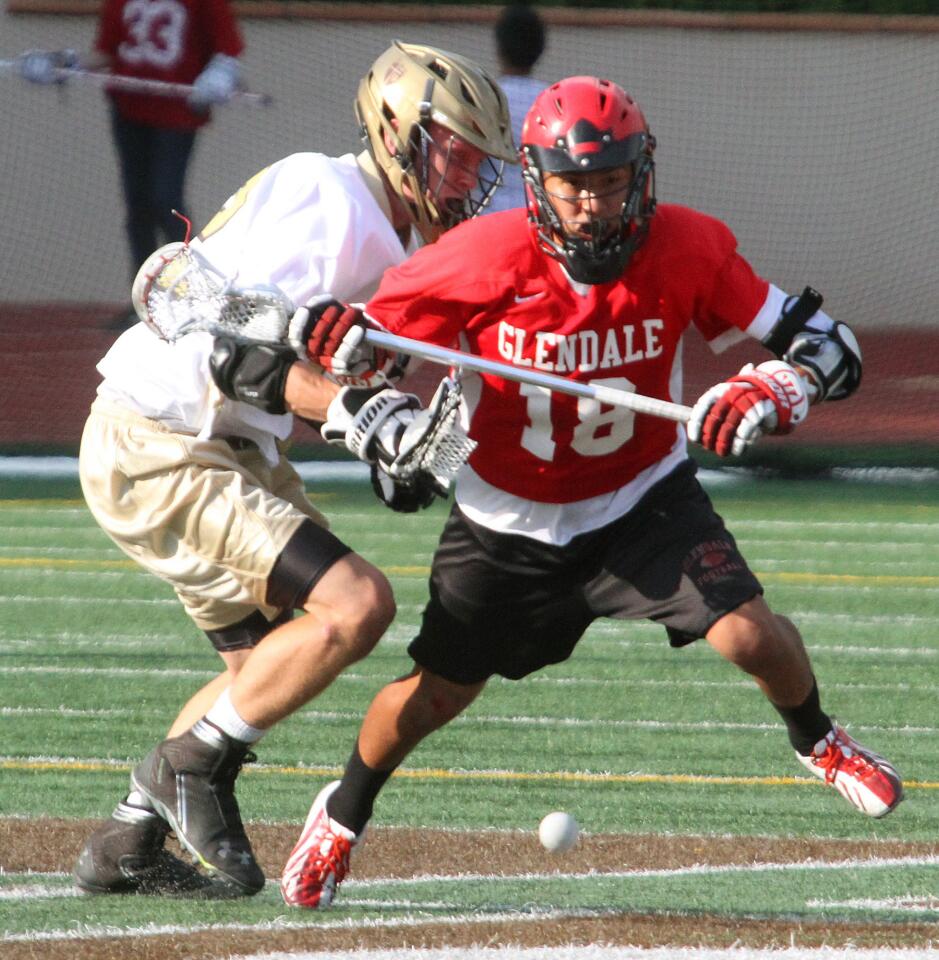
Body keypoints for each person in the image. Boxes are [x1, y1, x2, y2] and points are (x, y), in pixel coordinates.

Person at [243, 76, 902, 910]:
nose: (593, 204)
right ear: (537, 180)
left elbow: (828, 347)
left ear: (642, 174)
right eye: (572, 183)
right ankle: (341, 815)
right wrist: (341, 342)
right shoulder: (478, 256)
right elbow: (373, 351)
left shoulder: (689, 245)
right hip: (504, 522)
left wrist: (778, 385)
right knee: (434, 696)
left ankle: (817, 739)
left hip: (642, 499)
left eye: (610, 180)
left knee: (746, 634)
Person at [71, 40, 515, 898]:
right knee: (357, 606)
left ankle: (127, 841)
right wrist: (360, 413)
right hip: (165, 434)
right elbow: (224, 348)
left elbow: (387, 444)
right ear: (398, 133)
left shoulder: (398, 241)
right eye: (455, 153)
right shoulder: (332, 200)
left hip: (221, 442)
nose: (467, 179)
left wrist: (424, 452)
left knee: (269, 666)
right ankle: (187, 772)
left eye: (477, 161)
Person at [18, 0, 245, 328]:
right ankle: (143, 302)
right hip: (129, 111)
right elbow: (107, 53)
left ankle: (192, 295)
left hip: (176, 113)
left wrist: (220, 74)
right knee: (138, 207)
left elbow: (228, 49)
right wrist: (62, 64)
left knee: (166, 201)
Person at [485, 3, 547, 213]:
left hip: (488, 218)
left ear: (499, 47)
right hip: (539, 220)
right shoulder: (550, 101)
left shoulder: (484, 97)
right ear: (540, 48)